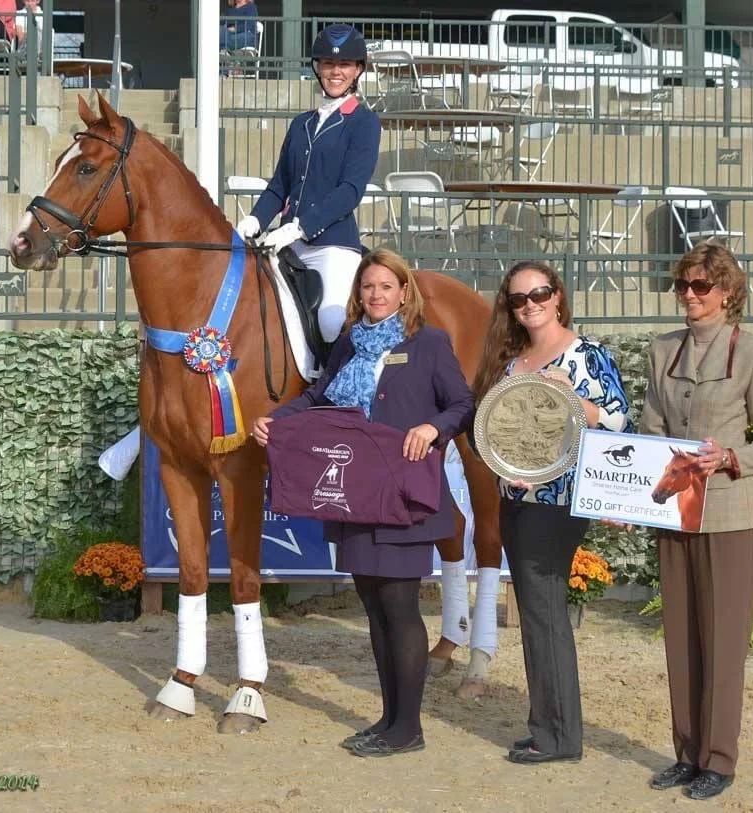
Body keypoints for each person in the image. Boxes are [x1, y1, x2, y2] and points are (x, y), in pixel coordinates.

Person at [253, 249, 475, 757]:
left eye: (385, 286)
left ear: (404, 292)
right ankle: (388, 718)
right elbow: (321, 396)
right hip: (356, 493)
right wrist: (278, 419)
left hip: (404, 492)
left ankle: (409, 728)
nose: (376, 295)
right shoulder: (351, 342)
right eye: (368, 287)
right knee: (374, 609)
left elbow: (462, 405)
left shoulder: (429, 343)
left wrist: (432, 427)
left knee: (399, 607)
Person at [639, 242, 753, 800]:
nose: (689, 295)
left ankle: (719, 760)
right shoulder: (662, 350)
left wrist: (729, 458)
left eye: (701, 287)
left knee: (722, 642)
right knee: (680, 637)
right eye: (683, 285)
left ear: (728, 293)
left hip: (726, 513)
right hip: (674, 511)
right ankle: (686, 754)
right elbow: (651, 429)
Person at [472, 260, 632, 765]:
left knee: (545, 614)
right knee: (536, 616)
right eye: (519, 299)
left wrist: (575, 402)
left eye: (539, 293)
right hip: (515, 499)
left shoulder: (585, 354)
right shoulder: (510, 362)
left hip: (558, 502)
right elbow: (492, 432)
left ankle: (560, 738)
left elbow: (616, 421)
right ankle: (546, 725)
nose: (531, 304)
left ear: (558, 295)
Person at [236, 23, 381, 351]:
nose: (335, 72)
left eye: (344, 65)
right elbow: (280, 185)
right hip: (285, 244)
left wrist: (300, 228)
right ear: (318, 68)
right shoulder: (300, 123)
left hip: (331, 246)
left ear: (357, 70)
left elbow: (350, 190)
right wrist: (255, 221)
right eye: (328, 64)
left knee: (331, 323)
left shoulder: (364, 123)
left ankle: (333, 390)